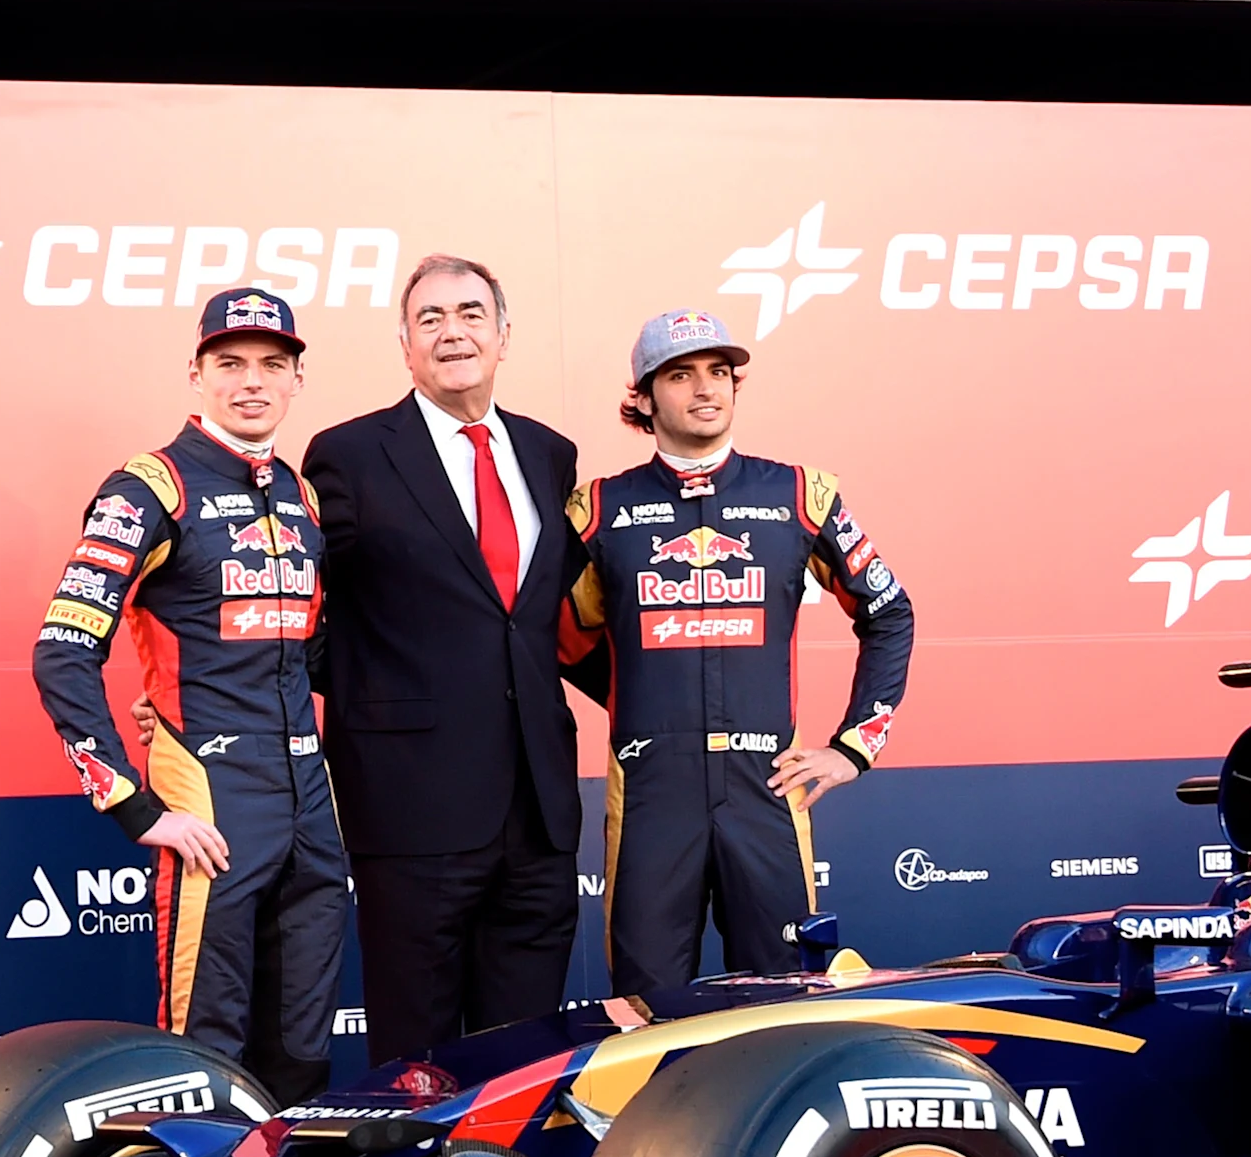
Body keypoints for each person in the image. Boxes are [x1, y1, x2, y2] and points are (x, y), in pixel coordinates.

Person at [31, 288, 345, 1106]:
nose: (252, 382)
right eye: (230, 364)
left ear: (297, 380)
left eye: (272, 365)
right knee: (204, 1054)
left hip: (311, 803)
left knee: (304, 1051)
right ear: (196, 374)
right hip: (210, 799)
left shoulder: (304, 498)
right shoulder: (150, 487)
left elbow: (314, 657)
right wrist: (135, 806)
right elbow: (63, 650)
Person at [567, 307, 914, 992]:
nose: (706, 389)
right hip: (650, 793)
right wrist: (641, 693)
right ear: (641, 396)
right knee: (645, 1006)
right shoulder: (598, 508)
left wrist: (853, 747)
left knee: (786, 997)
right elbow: (557, 640)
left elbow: (889, 612)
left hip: (765, 787)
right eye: (681, 374)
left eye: (720, 372)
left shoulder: (801, 495)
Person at [303, 255, 593, 1058]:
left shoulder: (548, 454)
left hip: (538, 813)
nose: (452, 331)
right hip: (411, 810)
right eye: (429, 319)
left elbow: (545, 620)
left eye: (470, 313)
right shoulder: (349, 456)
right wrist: (379, 700)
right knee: (415, 1065)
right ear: (404, 347)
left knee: (527, 1061)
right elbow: (304, 615)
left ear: (503, 335)